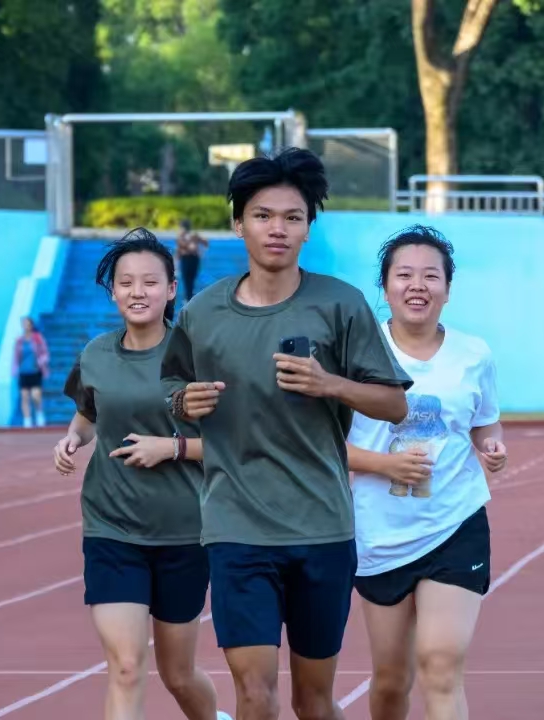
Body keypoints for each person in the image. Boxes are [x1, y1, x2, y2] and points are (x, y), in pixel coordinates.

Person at [160, 147, 412, 720]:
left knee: (313, 702)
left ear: (307, 228)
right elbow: (172, 386)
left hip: (321, 527)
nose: (278, 228)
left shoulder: (341, 304)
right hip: (236, 527)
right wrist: (182, 400)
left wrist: (330, 384)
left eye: (292, 217)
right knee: (254, 696)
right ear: (238, 223)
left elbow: (394, 404)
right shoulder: (203, 312)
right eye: (263, 215)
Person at [53, 228, 229, 720]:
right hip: (112, 529)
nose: (137, 291)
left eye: (150, 282)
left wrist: (170, 447)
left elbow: (236, 446)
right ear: (112, 291)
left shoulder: (197, 357)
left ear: (171, 289)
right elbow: (88, 415)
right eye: (126, 282)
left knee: (178, 674)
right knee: (127, 666)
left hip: (183, 533)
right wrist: (72, 439)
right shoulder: (96, 354)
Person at [345, 225, 508, 720]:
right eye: (405, 275)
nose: (418, 285)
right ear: (385, 286)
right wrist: (385, 464)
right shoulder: (355, 353)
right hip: (380, 533)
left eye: (431, 276)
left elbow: (485, 422)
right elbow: (324, 445)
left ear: (447, 289)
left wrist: (492, 447)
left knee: (441, 667)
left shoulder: (474, 354)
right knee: (391, 681)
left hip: (454, 523)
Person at [12, 317, 49, 428]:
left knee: (35, 395)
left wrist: (40, 362)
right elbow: (16, 356)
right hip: (23, 372)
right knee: (24, 397)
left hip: (35, 371)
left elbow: (45, 353)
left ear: (31, 325)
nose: (25, 326)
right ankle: (27, 420)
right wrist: (14, 369)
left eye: (27, 324)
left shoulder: (38, 338)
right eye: (23, 324)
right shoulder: (19, 340)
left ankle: (39, 413)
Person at [175, 218, 209, 302]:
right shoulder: (193, 236)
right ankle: (189, 297)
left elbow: (182, 248)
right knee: (189, 280)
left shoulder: (185, 236)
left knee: (188, 279)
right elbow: (205, 243)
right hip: (192, 259)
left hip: (188, 259)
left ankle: (188, 298)